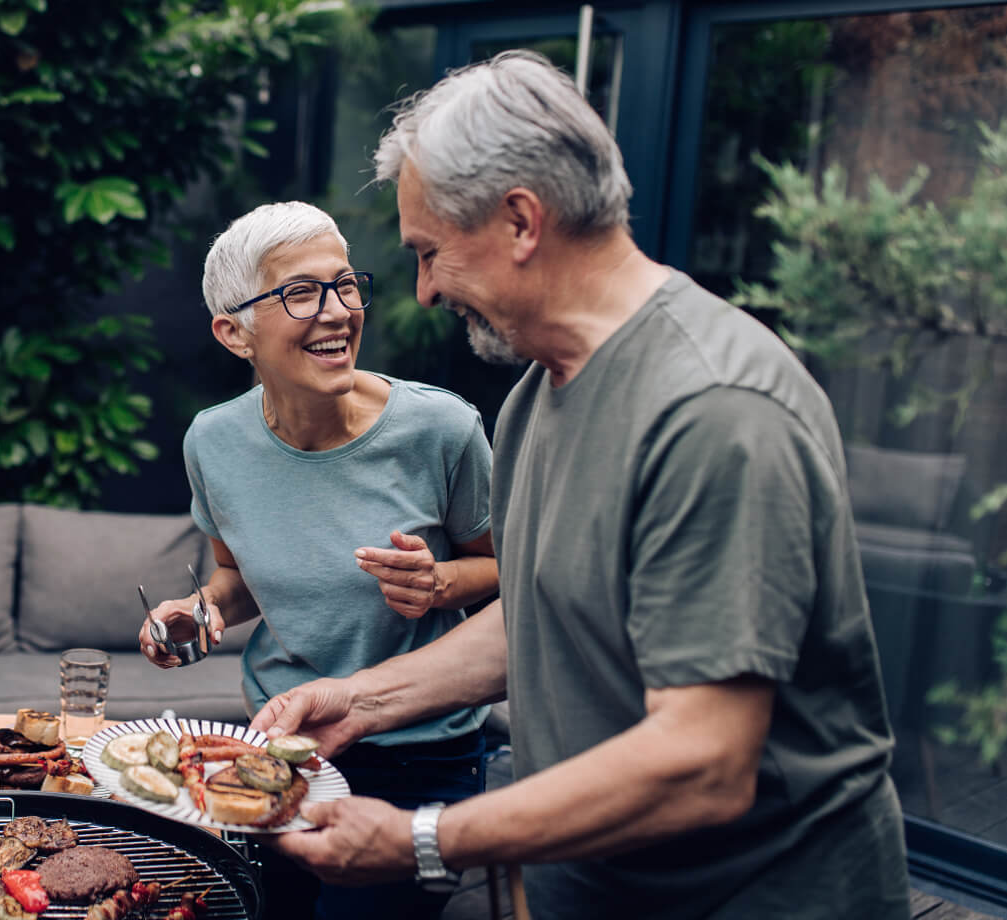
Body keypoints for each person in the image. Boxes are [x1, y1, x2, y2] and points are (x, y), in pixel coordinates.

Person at [250, 51, 912, 919]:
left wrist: (422, 839)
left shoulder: (713, 411)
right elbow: (544, 616)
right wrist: (364, 699)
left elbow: (704, 762)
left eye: (429, 253)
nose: (423, 289)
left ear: (521, 221)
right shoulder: (536, 394)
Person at [137, 200, 498, 919]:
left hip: (417, 753)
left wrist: (438, 584)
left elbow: (504, 579)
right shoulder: (212, 442)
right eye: (300, 292)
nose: (337, 312)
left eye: (346, 284)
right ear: (233, 332)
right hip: (276, 747)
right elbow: (236, 578)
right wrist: (197, 614)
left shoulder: (443, 429)